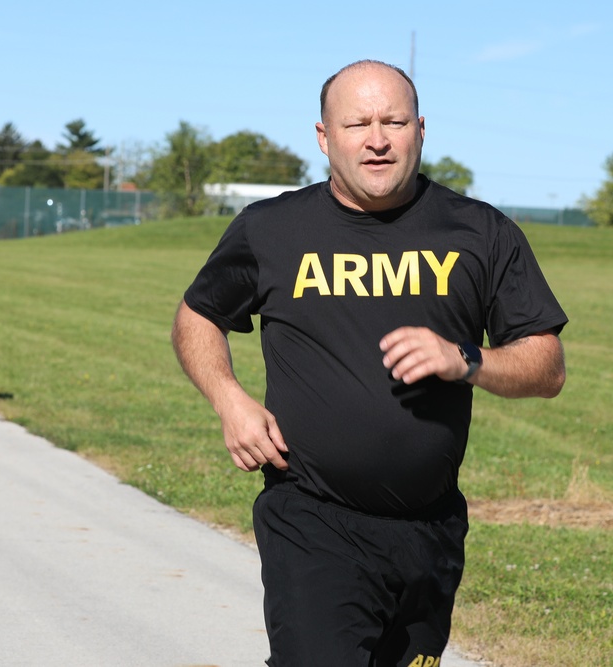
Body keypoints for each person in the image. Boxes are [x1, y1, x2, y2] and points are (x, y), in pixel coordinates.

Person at [172, 59, 567, 667]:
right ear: (325, 137)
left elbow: (546, 367)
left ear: (421, 130)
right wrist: (229, 398)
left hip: (429, 532)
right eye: (357, 123)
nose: (377, 139)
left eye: (394, 121)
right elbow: (197, 316)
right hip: (312, 518)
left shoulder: (480, 232)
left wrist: (466, 360)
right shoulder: (272, 230)